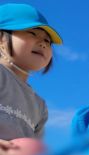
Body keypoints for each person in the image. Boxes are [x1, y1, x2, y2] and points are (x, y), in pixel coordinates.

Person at [0, 3, 62, 140]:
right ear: (1, 39)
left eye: (47, 40)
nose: (43, 43)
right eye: (32, 33)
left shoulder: (40, 106)